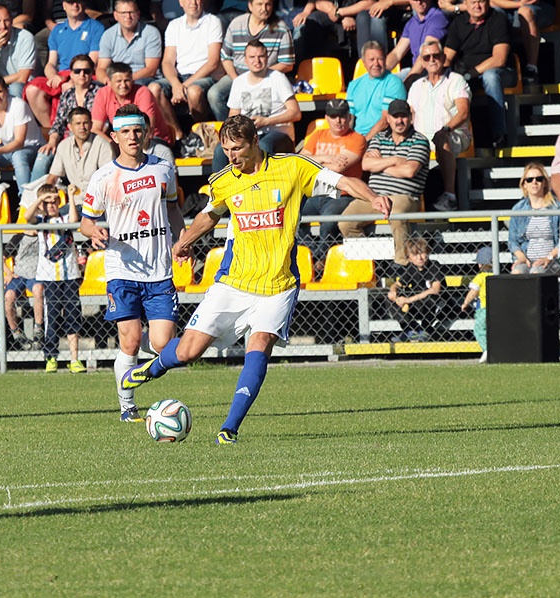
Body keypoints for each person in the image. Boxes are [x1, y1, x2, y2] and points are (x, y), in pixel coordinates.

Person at [119, 115, 392, 443]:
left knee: (260, 344)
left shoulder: (292, 167)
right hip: (233, 282)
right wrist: (183, 242)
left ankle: (229, 429)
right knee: (189, 351)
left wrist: (372, 196)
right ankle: (154, 368)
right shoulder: (225, 180)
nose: (231, 156)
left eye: (237, 148)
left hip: (278, 284)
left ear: (254, 143)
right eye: (226, 149)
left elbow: (342, 182)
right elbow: (209, 215)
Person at [79, 104, 185, 422]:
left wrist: (182, 241)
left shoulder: (163, 169)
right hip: (121, 269)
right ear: (114, 136)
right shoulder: (102, 178)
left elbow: (173, 211)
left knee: (163, 345)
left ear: (147, 132)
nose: (132, 137)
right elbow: (86, 221)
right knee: (130, 339)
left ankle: (139, 377)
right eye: (125, 131)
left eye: (137, 130)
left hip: (160, 270)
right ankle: (127, 405)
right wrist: (93, 232)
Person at [339, 99, 429, 267]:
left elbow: (409, 171)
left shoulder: (420, 141)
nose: (399, 121)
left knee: (396, 213)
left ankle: (401, 263)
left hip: (405, 197)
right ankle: (368, 264)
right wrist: (395, 160)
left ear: (410, 118)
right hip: (375, 197)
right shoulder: (379, 138)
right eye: (395, 116)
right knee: (345, 222)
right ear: (388, 118)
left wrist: (380, 164)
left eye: (403, 116)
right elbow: (366, 165)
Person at [24, 183, 86, 374]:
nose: (52, 205)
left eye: (55, 201)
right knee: (52, 318)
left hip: (70, 275)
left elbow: (75, 221)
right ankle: (50, 356)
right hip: (49, 278)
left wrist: (70, 197)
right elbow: (28, 216)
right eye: (48, 202)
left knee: (72, 315)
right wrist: (41, 199)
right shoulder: (40, 220)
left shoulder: (65, 217)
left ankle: (74, 358)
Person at [298, 98, 367, 264]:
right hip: (316, 193)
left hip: (341, 193)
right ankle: (314, 256)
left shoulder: (357, 139)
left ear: (349, 117)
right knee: (293, 216)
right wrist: (326, 157)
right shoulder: (317, 135)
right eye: (333, 116)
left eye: (342, 116)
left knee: (327, 222)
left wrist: (314, 161)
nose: (338, 120)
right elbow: (300, 161)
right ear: (327, 118)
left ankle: (320, 261)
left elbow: (338, 170)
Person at [407, 39, 472, 213]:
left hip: (453, 135)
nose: (432, 60)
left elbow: (463, 112)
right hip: (422, 141)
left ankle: (450, 195)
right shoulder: (416, 86)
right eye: (427, 57)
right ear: (422, 62)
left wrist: (445, 129)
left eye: (436, 56)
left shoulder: (455, 80)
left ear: (443, 58)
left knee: (441, 138)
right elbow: (410, 116)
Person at [212, 39, 300, 166]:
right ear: (245, 60)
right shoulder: (239, 82)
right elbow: (233, 115)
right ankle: (219, 185)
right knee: (220, 150)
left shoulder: (278, 78)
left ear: (267, 57)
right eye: (252, 57)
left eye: (261, 56)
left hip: (278, 134)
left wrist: (266, 121)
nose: (257, 61)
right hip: (249, 136)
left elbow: (295, 113)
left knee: (263, 146)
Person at [207, 0, 295, 121]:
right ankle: (228, 130)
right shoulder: (236, 24)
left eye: (268, 4)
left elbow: (287, 64)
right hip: (236, 75)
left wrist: (259, 74)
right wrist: (238, 80)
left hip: (267, 77)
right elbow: (226, 57)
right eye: (259, 4)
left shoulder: (281, 29)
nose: (264, 8)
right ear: (250, 6)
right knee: (214, 94)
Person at [443, 0, 515, 149]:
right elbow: (448, 56)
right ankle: (453, 139)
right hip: (466, 73)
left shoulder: (497, 19)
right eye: (473, 2)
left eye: (481, 1)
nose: (477, 6)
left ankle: (500, 134)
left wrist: (471, 74)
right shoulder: (458, 23)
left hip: (499, 72)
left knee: (490, 77)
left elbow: (499, 58)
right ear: (466, 4)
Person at [25, 0, 104, 128]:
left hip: (84, 73)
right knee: (32, 90)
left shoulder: (96, 27)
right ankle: (52, 130)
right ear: (64, 6)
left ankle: (74, 130)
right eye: (71, 2)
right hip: (62, 75)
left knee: (72, 86)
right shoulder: (57, 30)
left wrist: (73, 79)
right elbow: (51, 63)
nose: (75, 5)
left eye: (78, 1)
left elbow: (91, 63)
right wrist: (53, 77)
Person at [148, 0, 223, 132]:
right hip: (180, 76)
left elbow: (213, 62)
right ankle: (177, 136)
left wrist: (184, 86)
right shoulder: (174, 25)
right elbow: (167, 62)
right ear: (181, 2)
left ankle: (203, 135)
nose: (193, 3)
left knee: (193, 92)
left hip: (204, 76)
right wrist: (176, 84)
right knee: (153, 88)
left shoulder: (213, 22)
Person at [0, 74, 50, 188]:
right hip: (7, 148)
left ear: (6, 91)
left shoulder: (18, 105)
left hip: (31, 147)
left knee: (18, 156)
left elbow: (19, 142)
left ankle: (24, 199)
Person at [39, 54, 103, 168]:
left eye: (86, 71)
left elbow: (103, 123)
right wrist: (52, 142)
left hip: (93, 140)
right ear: (72, 74)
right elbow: (59, 123)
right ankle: (32, 187)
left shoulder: (101, 93)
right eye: (77, 71)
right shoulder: (67, 95)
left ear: (92, 73)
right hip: (69, 141)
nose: (82, 75)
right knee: (43, 156)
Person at [92, 61, 173, 146]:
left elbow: (147, 129)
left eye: (127, 80)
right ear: (109, 81)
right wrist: (112, 145)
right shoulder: (103, 93)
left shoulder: (143, 92)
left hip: (152, 140)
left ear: (132, 80)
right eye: (118, 81)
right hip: (122, 143)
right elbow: (95, 129)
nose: (123, 85)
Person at [46, 106, 116, 203]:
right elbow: (53, 177)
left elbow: (109, 179)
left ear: (91, 124)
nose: (82, 127)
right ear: (70, 127)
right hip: (74, 203)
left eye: (85, 123)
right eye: (78, 124)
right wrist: (46, 194)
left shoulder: (103, 145)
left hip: (98, 203)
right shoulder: (63, 146)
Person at [507, 162, 560, 275]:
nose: (534, 182)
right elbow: (512, 241)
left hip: (551, 260)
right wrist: (522, 257)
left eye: (539, 178)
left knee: (536, 273)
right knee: (517, 272)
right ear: (524, 185)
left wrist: (549, 257)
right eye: (529, 179)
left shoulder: (556, 207)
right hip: (526, 259)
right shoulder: (518, 209)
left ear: (545, 183)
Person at [346, 40, 407, 140]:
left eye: (380, 59)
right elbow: (349, 119)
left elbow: (385, 121)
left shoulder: (393, 83)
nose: (376, 64)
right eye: (372, 59)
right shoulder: (354, 85)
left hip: (382, 139)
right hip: (357, 139)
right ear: (364, 62)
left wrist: (363, 142)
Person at [387, 235, 444, 342]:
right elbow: (397, 284)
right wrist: (393, 291)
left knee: (432, 297)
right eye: (415, 254)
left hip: (434, 305)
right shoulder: (411, 268)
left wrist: (408, 300)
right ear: (409, 258)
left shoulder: (434, 266)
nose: (420, 258)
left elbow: (435, 289)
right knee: (389, 297)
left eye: (422, 253)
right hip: (416, 304)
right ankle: (410, 329)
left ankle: (425, 329)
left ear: (428, 253)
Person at [96, 0, 163, 86]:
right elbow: (101, 68)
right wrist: (107, 81)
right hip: (117, 80)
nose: (128, 16)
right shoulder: (108, 35)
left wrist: (126, 80)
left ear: (138, 14)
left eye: (131, 12)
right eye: (123, 13)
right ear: (115, 15)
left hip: (144, 79)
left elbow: (151, 69)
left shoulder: (151, 33)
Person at [385, 0, 449, 85]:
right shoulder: (411, 23)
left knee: (393, 88)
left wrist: (407, 82)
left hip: (429, 73)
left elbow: (426, 55)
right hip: (413, 71)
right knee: (383, 83)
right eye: (415, 0)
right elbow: (397, 54)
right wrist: (380, 72)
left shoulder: (438, 19)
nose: (419, 2)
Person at [4, 231, 44, 350]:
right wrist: (8, 273)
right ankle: (16, 332)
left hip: (37, 275)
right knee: (9, 296)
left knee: (38, 289)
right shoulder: (19, 237)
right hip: (19, 276)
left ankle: (38, 328)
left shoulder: (43, 236)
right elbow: (1, 257)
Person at [461, 245, 493, 363]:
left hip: (483, 308)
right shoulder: (496, 275)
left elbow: (473, 292)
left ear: (480, 264)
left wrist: (465, 303)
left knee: (479, 329)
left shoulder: (480, 277)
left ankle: (486, 349)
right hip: (496, 307)